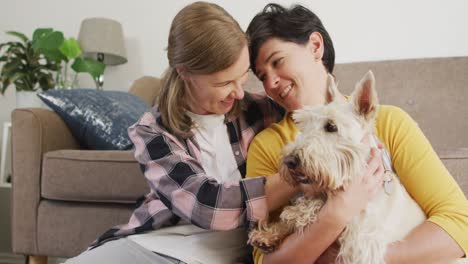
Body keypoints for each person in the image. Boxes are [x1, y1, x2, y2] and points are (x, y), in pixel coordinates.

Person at [64, 2, 290, 263]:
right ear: (185, 72)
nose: (239, 93)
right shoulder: (152, 132)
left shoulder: (263, 110)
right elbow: (209, 206)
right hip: (159, 246)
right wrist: (294, 178)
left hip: (229, 253)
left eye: (243, 77)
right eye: (225, 82)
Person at [245, 3, 468, 264]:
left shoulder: (389, 123)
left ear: (316, 46)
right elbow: (265, 260)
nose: (270, 83)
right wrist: (337, 213)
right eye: (262, 76)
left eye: (277, 61)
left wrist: (364, 258)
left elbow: (458, 223)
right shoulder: (268, 146)